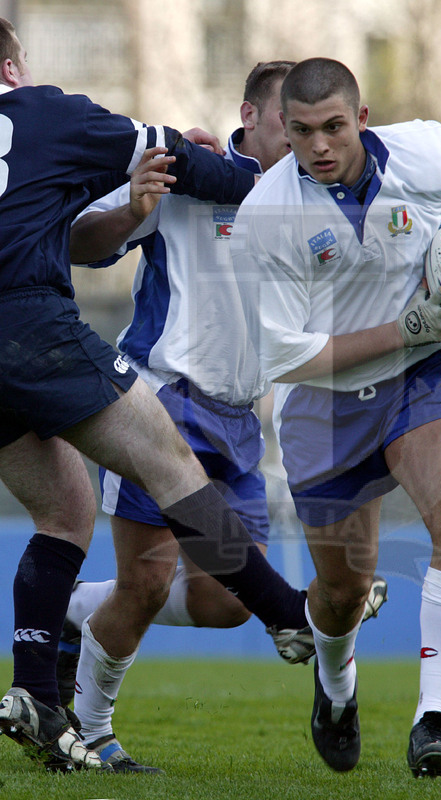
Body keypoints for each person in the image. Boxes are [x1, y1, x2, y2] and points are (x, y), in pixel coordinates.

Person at [0, 21, 320, 773]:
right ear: (12, 67)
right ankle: (288, 612)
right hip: (29, 324)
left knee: (65, 512)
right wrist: (261, 189)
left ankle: (34, 695)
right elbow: (171, 154)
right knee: (171, 464)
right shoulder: (42, 110)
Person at [61, 61, 388, 773]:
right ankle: (89, 730)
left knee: (224, 603)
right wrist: (134, 208)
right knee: (148, 581)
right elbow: (82, 242)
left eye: (314, 129)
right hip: (160, 401)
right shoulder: (188, 173)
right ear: (250, 117)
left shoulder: (311, 204)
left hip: (240, 418)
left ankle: (76, 609)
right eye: (289, 126)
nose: (303, 143)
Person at [230, 57, 441, 778]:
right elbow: (286, 357)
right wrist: (407, 325)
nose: (319, 145)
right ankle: (336, 687)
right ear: (283, 129)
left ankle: (434, 721)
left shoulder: (426, 150)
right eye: (302, 131)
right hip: (323, 402)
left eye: (334, 127)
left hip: (423, 372)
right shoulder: (265, 214)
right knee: (343, 593)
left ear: (361, 119)